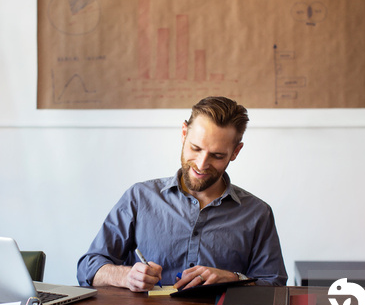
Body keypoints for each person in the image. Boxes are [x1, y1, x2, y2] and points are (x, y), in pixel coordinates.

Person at [76, 96, 287, 292]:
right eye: (196, 148)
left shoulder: (257, 213)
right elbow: (88, 268)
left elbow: (275, 285)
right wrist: (126, 276)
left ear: (235, 152)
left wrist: (235, 279)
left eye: (217, 155)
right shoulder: (140, 197)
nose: (202, 165)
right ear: (184, 133)